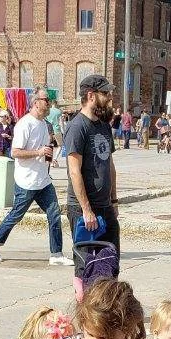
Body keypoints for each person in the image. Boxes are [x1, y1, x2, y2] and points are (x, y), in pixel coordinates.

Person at [0, 91, 74, 266]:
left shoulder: (44, 124)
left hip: (43, 180)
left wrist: (48, 157)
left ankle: (56, 254)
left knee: (54, 214)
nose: (49, 103)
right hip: (26, 181)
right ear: (36, 103)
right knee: (16, 215)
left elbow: (44, 147)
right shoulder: (24, 124)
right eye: (46, 100)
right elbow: (15, 152)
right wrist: (38, 152)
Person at [64, 74, 121, 257]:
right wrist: (86, 210)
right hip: (83, 209)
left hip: (106, 206)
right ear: (91, 95)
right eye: (105, 93)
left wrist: (114, 201)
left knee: (110, 262)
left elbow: (110, 165)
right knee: (86, 265)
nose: (109, 97)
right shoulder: (77, 127)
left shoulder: (104, 126)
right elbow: (74, 172)